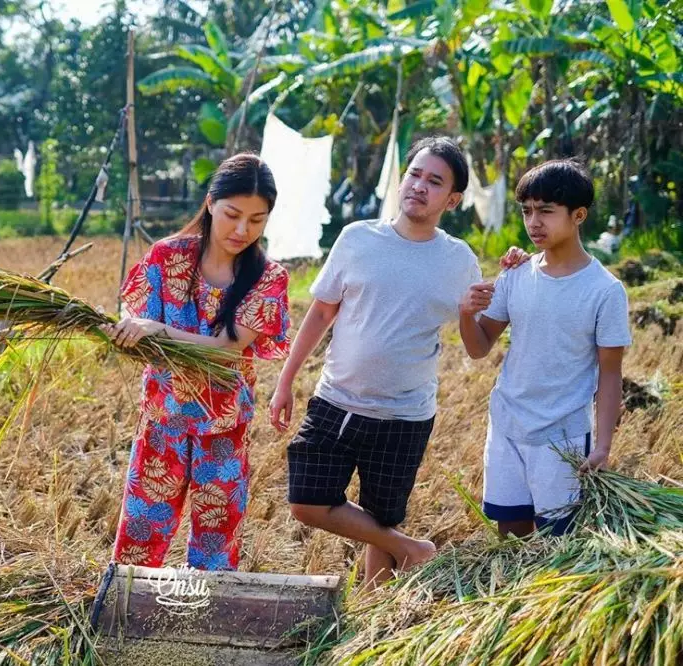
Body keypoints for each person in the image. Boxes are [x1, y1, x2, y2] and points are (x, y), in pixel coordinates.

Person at [270, 137, 527, 589]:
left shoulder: (458, 259)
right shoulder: (357, 239)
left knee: (380, 520)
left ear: (453, 199)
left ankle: (373, 613)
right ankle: (415, 550)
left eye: (434, 181)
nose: (419, 187)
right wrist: (286, 380)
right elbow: (320, 313)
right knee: (306, 502)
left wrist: (478, 305)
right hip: (338, 401)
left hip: (405, 414)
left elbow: (477, 346)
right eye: (414, 174)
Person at [103, 153, 291, 571]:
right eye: (233, 214)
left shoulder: (269, 277)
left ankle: (203, 624)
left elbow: (227, 347)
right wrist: (126, 331)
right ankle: (124, 621)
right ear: (210, 203)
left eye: (257, 220)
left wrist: (159, 330)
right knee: (140, 535)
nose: (243, 230)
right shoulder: (166, 258)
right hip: (162, 420)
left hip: (223, 428)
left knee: (215, 544)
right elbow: (141, 332)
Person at [459, 159, 631, 537]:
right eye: (527, 211)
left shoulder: (604, 290)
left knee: (559, 543)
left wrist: (602, 446)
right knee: (511, 536)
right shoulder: (516, 274)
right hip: (507, 425)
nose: (533, 222)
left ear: (579, 215)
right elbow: (479, 347)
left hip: (563, 435)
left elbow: (610, 372)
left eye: (546, 212)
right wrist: (465, 314)